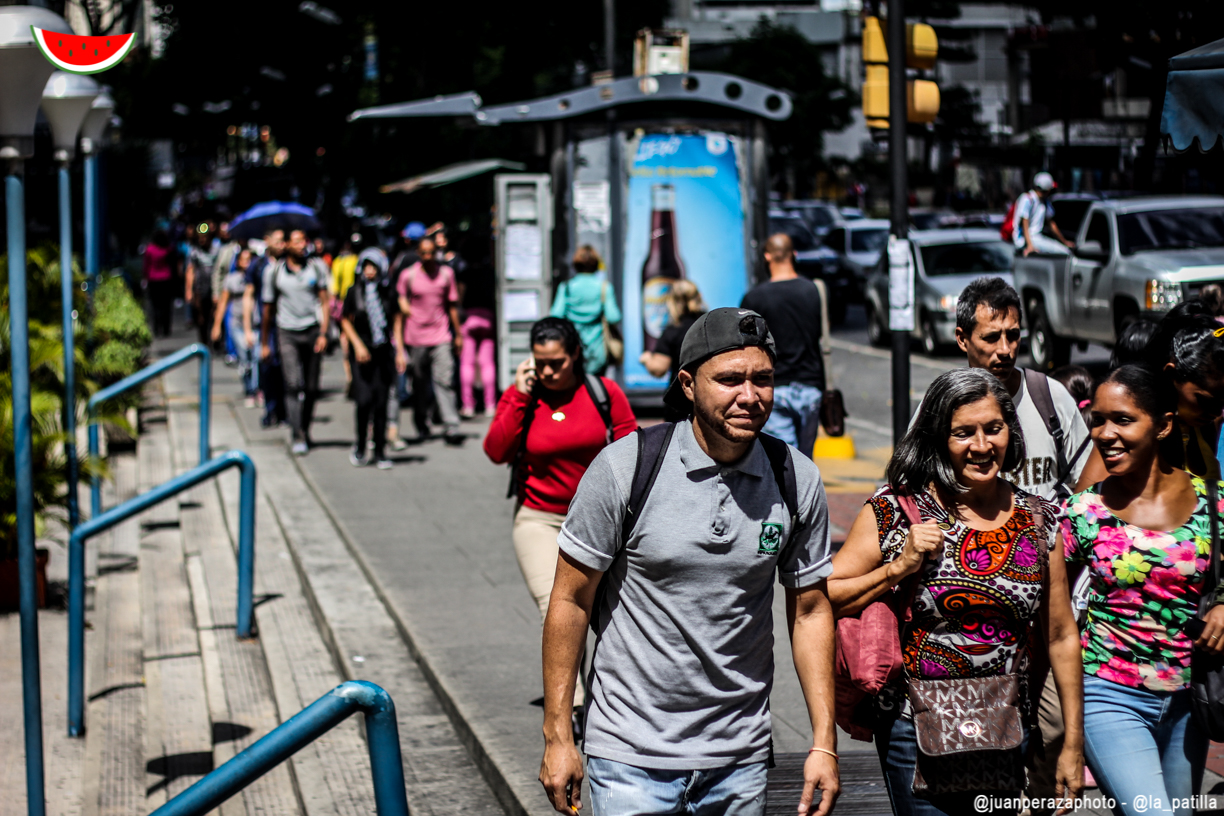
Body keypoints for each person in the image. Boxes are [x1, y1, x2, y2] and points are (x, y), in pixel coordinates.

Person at [539, 307, 840, 816]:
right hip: (629, 755)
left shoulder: (795, 478)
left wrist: (823, 742)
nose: (750, 396)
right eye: (729, 380)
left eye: (762, 380)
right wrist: (557, 735)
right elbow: (569, 600)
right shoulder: (625, 468)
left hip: (739, 758)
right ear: (687, 384)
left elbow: (810, 610)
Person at [829, 367, 1085, 816]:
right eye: (963, 432)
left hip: (1005, 731)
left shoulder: (1040, 521)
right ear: (937, 438)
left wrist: (1072, 744)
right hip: (916, 731)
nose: (982, 446)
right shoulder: (896, 511)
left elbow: (1061, 635)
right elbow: (828, 593)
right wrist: (899, 566)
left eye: (994, 429)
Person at [1062, 364, 1224, 816]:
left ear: (1164, 425)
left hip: (1188, 703)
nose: (1106, 433)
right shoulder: (1084, 510)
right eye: (1098, 419)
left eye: (1123, 420)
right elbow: (1049, 607)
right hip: (1106, 694)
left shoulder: (1214, 500)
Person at [483, 317, 637, 730]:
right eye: (540, 362)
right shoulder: (524, 397)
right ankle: (571, 705)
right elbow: (496, 450)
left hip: (600, 522)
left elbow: (631, 449)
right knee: (556, 605)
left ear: (575, 357)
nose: (547, 371)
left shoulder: (604, 393)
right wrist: (517, 394)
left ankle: (611, 696)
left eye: (556, 362)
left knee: (606, 613)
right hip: (538, 517)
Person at [953, 277, 1091, 500]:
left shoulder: (1051, 397)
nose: (1005, 349)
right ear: (962, 339)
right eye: (991, 338)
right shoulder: (940, 406)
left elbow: (1089, 485)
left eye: (1013, 335)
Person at [741, 233, 826, 458]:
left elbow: (746, 346)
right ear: (794, 255)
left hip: (775, 386)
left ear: (767, 256)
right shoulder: (813, 291)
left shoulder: (754, 298)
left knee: (785, 462)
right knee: (805, 461)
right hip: (811, 386)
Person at [261, 229, 331, 455]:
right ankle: (297, 434)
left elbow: (325, 301)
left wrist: (323, 332)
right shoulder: (274, 272)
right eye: (297, 241)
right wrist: (264, 342)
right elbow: (267, 310)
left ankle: (305, 428)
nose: (302, 245)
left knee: (311, 387)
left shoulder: (316, 267)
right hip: (287, 332)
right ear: (287, 245)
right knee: (293, 384)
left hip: (311, 330)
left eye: (304, 240)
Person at [395, 237, 463, 444]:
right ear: (418, 253)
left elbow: (452, 305)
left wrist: (458, 334)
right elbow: (399, 300)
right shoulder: (409, 275)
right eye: (423, 253)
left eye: (431, 253)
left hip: (441, 335)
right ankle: (421, 422)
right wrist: (404, 306)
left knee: (444, 380)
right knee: (419, 384)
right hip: (415, 337)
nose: (427, 257)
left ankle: (451, 425)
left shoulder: (446, 274)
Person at [340, 248, 400, 469]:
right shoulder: (354, 291)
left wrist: (400, 350)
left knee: (382, 402)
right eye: (366, 266)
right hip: (361, 352)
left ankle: (381, 450)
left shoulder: (387, 292)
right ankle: (360, 446)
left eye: (373, 266)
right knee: (364, 400)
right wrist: (357, 345)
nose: (369, 271)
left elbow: (396, 321)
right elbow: (345, 320)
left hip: (383, 351)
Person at [549, 245, 622, 376]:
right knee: (597, 387)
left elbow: (556, 315)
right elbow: (613, 317)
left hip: (573, 347)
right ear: (596, 264)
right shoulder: (604, 287)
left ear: (575, 265)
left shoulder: (566, 287)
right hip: (599, 348)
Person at [245, 229, 286, 428]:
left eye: (283, 241)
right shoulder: (258, 265)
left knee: (286, 368)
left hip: (287, 322)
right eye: (277, 241)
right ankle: (271, 409)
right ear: (266, 240)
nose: (281, 244)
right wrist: (246, 328)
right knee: (268, 366)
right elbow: (249, 294)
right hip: (265, 324)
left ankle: (284, 410)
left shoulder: (289, 263)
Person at [211, 247, 258, 405]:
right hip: (237, 323)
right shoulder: (232, 279)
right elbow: (223, 303)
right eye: (243, 260)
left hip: (255, 323)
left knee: (256, 358)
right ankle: (249, 389)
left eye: (249, 260)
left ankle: (256, 389)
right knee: (245, 358)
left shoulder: (258, 278)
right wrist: (217, 326)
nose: (246, 263)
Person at [639, 279, 706, 384]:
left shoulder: (673, 331)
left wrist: (647, 359)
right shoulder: (710, 323)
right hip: (710, 388)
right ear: (699, 296)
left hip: (682, 391)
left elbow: (659, 369)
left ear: (672, 301)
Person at [458, 259, 498, 418]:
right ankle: (490, 405)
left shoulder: (465, 273)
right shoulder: (491, 272)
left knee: (467, 364)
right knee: (487, 363)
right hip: (488, 318)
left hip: (469, 318)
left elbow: (459, 297)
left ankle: (468, 405)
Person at [1013, 172, 1075, 257]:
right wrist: (1030, 246)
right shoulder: (1027, 199)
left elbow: (1051, 224)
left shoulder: (1045, 201)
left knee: (1064, 250)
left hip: (1037, 239)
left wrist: (1064, 242)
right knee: (1064, 252)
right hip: (1026, 240)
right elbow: (1025, 223)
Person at [184, 222, 219, 346]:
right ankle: (204, 342)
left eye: (205, 237)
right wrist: (188, 290)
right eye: (200, 237)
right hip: (200, 290)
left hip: (214, 288)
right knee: (201, 318)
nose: (202, 240)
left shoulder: (216, 251)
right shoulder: (194, 252)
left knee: (214, 315)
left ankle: (215, 340)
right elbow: (190, 271)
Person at [143, 228, 176, 337]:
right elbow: (173, 265)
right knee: (166, 306)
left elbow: (146, 266)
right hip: (166, 280)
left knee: (155, 306)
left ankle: (157, 329)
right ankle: (166, 329)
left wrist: (145, 278)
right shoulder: (168, 249)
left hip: (153, 280)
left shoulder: (149, 249)